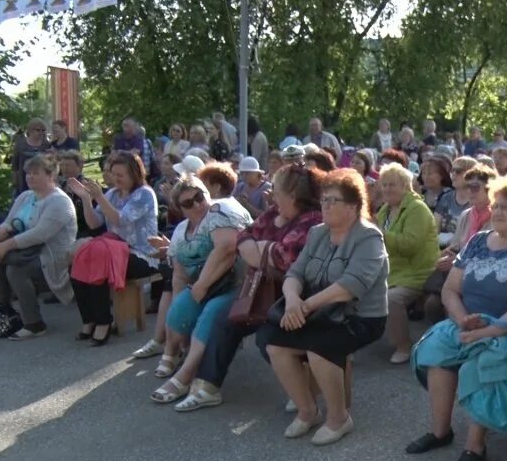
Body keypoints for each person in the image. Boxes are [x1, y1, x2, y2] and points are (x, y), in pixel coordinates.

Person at [407, 175, 507, 461]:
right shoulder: (479, 241)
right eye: (496, 206)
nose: (498, 212)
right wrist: (462, 319)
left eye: (506, 207)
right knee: (437, 349)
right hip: (472, 318)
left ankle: (475, 445)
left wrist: (490, 330)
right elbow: (450, 289)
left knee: (484, 357)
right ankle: (441, 432)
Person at [173, 164, 325, 411]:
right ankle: (207, 387)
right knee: (226, 319)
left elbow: (284, 259)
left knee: (268, 339)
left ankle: (306, 386)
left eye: (277, 190)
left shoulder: (312, 220)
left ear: (293, 196)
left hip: (301, 296)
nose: (272, 195)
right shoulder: (277, 211)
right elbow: (244, 236)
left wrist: (262, 249)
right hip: (267, 291)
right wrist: (263, 249)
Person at [261, 169, 388, 444]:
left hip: (360, 317)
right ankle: (308, 411)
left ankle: (339, 418)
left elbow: (350, 286)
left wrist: (304, 307)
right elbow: (294, 274)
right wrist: (293, 301)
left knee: (320, 348)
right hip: (320, 312)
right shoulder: (318, 233)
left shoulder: (369, 238)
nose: (326, 206)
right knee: (274, 344)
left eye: (334, 201)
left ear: (353, 207)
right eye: (324, 200)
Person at [149, 176, 253, 403]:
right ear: (180, 209)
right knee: (178, 312)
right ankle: (173, 352)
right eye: (188, 203)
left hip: (241, 284)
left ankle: (184, 377)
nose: (196, 205)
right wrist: (182, 309)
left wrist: (201, 286)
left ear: (207, 194)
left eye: (199, 197)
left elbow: (227, 249)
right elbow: (179, 274)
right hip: (204, 286)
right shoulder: (180, 231)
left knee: (211, 313)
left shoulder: (220, 210)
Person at [67, 152, 159, 346]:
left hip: (142, 255)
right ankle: (89, 319)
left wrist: (99, 197)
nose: (115, 179)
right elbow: (94, 223)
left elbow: (120, 220)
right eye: (113, 174)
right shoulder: (112, 194)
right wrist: (86, 199)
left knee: (99, 261)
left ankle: (103, 322)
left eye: (120, 175)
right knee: (80, 259)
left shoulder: (144, 194)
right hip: (114, 251)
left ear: (134, 174)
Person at [0, 155, 77, 339]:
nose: (30, 177)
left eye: (36, 173)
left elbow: (40, 234)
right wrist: (2, 231)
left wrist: (4, 247)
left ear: (51, 175)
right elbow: (8, 220)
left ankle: (34, 324)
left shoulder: (60, 202)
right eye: (28, 173)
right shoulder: (25, 196)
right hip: (22, 252)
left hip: (50, 257)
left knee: (16, 270)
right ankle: (5, 319)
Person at [375, 164, 439, 364]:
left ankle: (404, 346)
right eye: (384, 185)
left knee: (392, 298)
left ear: (405, 185)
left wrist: (380, 233)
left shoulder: (417, 209)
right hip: (392, 271)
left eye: (392, 184)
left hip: (418, 273)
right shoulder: (385, 209)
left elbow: (409, 245)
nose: (387, 189)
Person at [424, 165, 496, 324]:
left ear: (490, 189)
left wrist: (457, 260)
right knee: (431, 305)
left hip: (484, 280)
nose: (469, 191)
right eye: (466, 186)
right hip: (459, 275)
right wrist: (446, 254)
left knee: (450, 304)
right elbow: (458, 244)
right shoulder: (466, 215)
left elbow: (493, 257)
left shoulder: (498, 217)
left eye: (475, 187)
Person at [434, 157, 477, 247]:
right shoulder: (446, 198)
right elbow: (434, 230)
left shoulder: (476, 201)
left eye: (458, 171)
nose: (453, 174)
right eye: (452, 171)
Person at [9, 118, 52, 195]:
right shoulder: (21, 144)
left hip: (41, 182)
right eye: (38, 130)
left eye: (43, 130)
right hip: (23, 181)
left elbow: (50, 166)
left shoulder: (46, 145)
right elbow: (15, 166)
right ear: (30, 130)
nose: (41, 133)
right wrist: (15, 182)